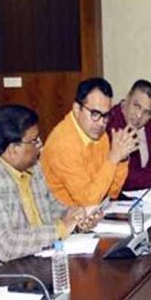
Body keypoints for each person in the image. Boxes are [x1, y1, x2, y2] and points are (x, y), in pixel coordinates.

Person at [0, 105, 97, 266]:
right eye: (34, 141)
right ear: (13, 149)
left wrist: (77, 218)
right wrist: (61, 229)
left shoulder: (32, 166)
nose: (40, 145)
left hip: (43, 257)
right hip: (14, 271)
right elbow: (6, 245)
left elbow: (53, 208)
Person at [41, 77, 137, 206]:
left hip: (95, 211)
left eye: (106, 115)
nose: (101, 123)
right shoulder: (62, 144)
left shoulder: (98, 134)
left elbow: (112, 192)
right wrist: (113, 158)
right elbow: (87, 201)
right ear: (77, 109)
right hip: (64, 215)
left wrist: (122, 158)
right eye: (95, 113)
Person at [106, 80, 151, 190]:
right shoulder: (110, 124)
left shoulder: (148, 126)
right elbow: (124, 178)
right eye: (136, 106)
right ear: (127, 97)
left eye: (146, 112)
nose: (139, 115)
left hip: (146, 193)